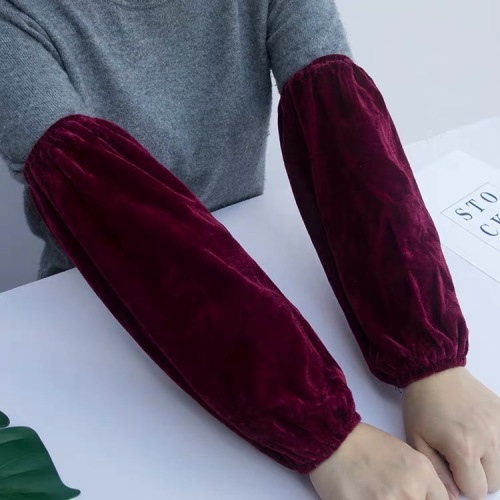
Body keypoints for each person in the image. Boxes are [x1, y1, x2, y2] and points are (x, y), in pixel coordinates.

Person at [1, 1, 499, 499]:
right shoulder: (16, 19)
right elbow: (117, 213)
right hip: (93, 307)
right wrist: (326, 435)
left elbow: (345, 130)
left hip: (248, 256)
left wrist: (432, 358)